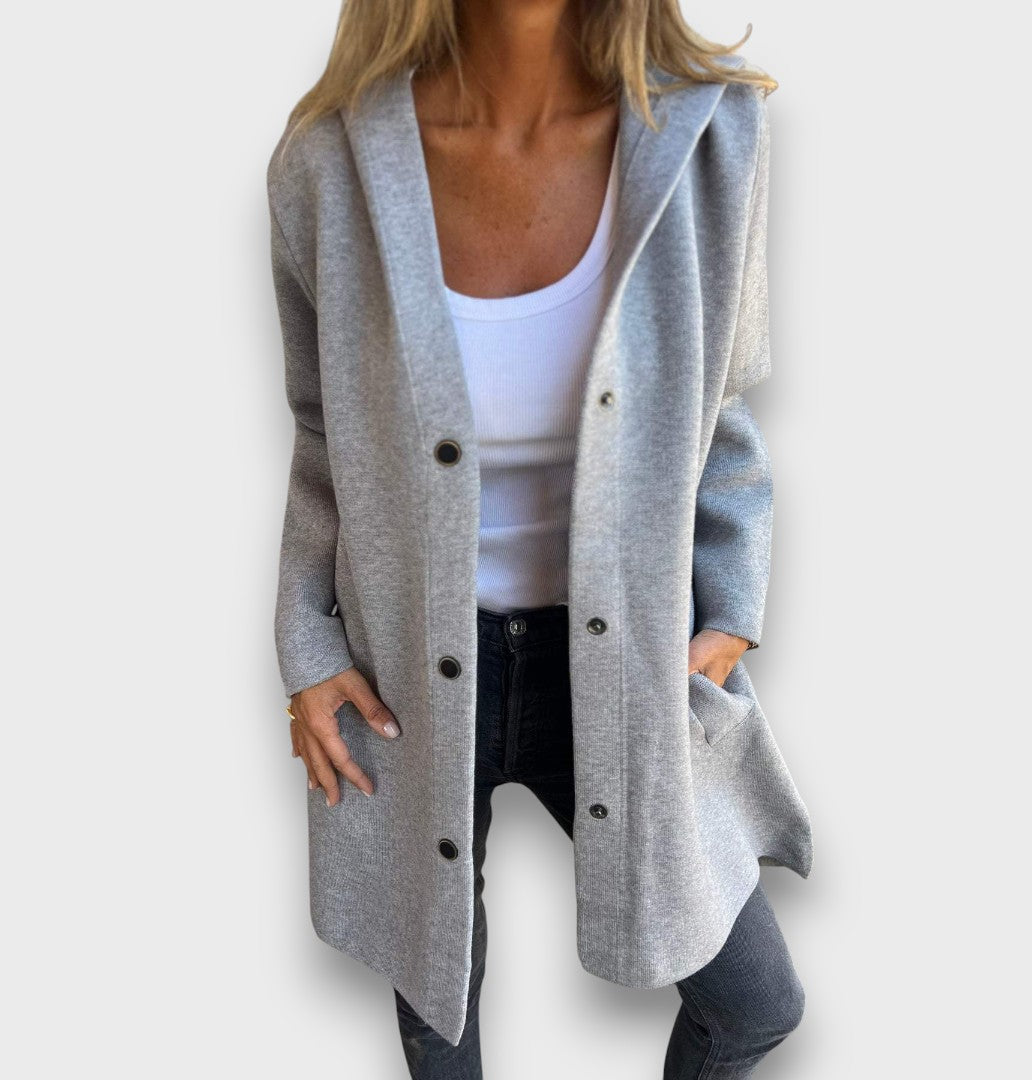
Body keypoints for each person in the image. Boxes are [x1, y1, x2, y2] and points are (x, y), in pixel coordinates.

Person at [267, 1, 814, 1076]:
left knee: (753, 1002)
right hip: (407, 674)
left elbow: (725, 408)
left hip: (625, 664)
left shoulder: (714, 138)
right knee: (440, 1013)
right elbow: (323, 431)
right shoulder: (328, 162)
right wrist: (309, 646)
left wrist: (732, 612)